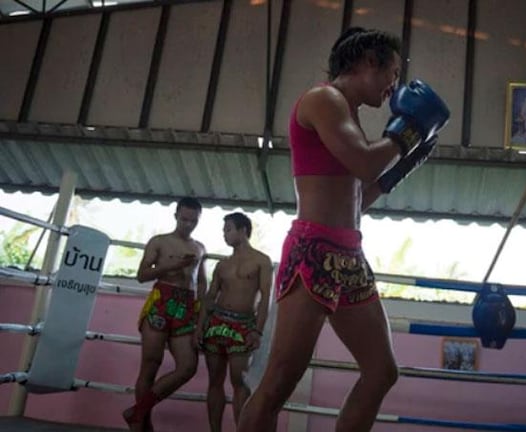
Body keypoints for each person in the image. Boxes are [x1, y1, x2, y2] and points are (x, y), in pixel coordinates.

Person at [236, 26, 449, 432]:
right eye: (393, 72)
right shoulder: (324, 99)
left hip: (350, 255)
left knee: (381, 371)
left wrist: (402, 167)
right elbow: (367, 162)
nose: (394, 86)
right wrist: (407, 134)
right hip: (313, 251)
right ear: (369, 61)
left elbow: (357, 198)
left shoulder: (347, 116)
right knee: (278, 384)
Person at [123, 197, 207, 432]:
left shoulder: (200, 247)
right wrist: (173, 266)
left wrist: (201, 319)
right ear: (176, 216)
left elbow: (202, 284)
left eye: (193, 220)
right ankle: (143, 424)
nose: (188, 224)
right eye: (184, 219)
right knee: (150, 364)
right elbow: (141, 274)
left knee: (188, 366)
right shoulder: (159, 241)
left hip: (187, 306)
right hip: (162, 300)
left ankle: (137, 412)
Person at [197, 212, 273, 432]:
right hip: (216, 323)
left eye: (228, 229)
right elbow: (210, 298)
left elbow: (266, 298)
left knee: (240, 385)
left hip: (244, 326)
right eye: (224, 230)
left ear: (243, 230)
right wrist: (200, 327)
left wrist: (258, 331)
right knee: (214, 382)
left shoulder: (261, 261)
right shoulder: (222, 264)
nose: (225, 234)